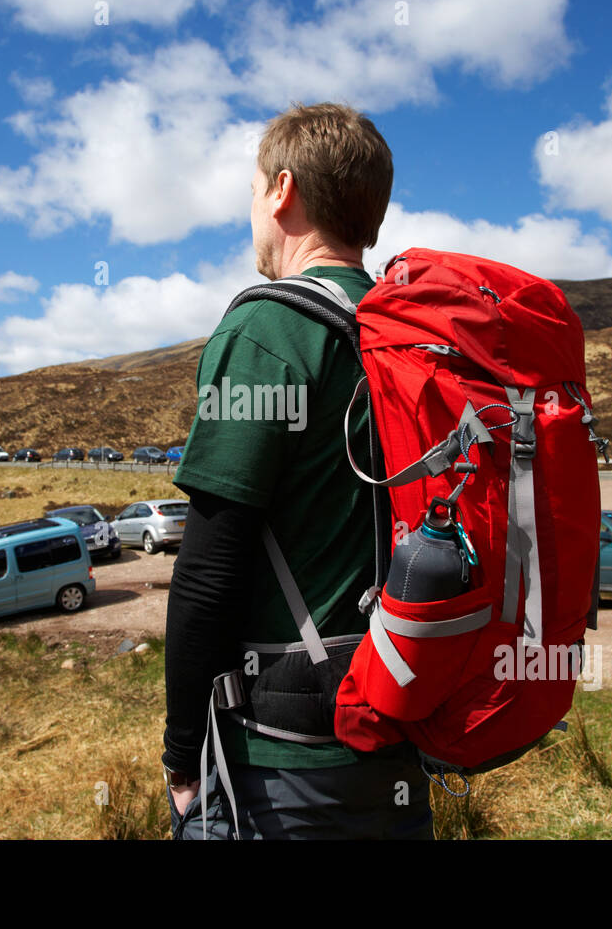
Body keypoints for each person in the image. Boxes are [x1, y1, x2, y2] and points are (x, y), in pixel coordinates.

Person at [161, 102, 433, 839]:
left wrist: (183, 756)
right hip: (400, 734)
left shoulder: (267, 329)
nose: (251, 209)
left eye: (253, 191)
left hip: (280, 771)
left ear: (281, 191)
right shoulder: (410, 336)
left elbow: (208, 569)